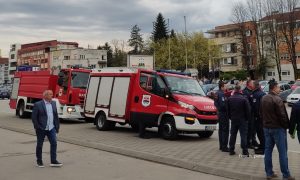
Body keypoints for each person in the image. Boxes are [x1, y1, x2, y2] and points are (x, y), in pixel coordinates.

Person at [261, 81, 294, 180]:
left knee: (267, 151)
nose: (280, 89)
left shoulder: (263, 98)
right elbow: (283, 116)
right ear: (274, 88)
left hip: (267, 128)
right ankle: (286, 175)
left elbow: (261, 113)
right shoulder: (277, 99)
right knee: (283, 152)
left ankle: (269, 173)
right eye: (278, 87)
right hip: (278, 129)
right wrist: (286, 127)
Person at [32, 90, 63, 168]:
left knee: (54, 143)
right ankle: (39, 161)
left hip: (51, 128)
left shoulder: (53, 103)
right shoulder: (38, 104)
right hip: (41, 128)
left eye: (52, 94)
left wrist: (57, 126)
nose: (52, 95)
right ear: (45, 96)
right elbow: (34, 117)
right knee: (40, 144)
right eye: (50, 94)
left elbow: (55, 116)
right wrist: (37, 127)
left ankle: (53, 161)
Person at [227, 84, 251, 156]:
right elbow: (248, 110)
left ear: (234, 90)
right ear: (240, 90)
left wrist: (230, 117)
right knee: (243, 135)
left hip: (234, 119)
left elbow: (227, 110)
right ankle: (245, 151)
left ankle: (231, 150)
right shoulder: (244, 99)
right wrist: (247, 118)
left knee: (233, 135)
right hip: (242, 119)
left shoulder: (230, 99)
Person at [243, 79, 259, 148]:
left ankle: (253, 141)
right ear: (249, 84)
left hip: (253, 113)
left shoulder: (252, 91)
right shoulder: (245, 92)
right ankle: (248, 143)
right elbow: (247, 104)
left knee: (253, 128)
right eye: (252, 83)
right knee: (249, 129)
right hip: (248, 114)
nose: (253, 84)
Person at [214, 81, 229, 152]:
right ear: (222, 87)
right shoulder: (222, 94)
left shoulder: (217, 93)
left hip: (219, 113)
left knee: (221, 130)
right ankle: (224, 146)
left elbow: (215, 103)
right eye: (225, 86)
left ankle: (221, 145)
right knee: (225, 130)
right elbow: (223, 105)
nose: (226, 87)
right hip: (224, 114)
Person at [252, 80, 266, 154]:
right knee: (260, 133)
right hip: (260, 117)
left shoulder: (258, 94)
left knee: (261, 133)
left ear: (255, 86)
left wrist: (258, 116)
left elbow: (257, 107)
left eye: (253, 85)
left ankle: (263, 148)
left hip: (259, 117)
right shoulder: (261, 93)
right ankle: (262, 146)